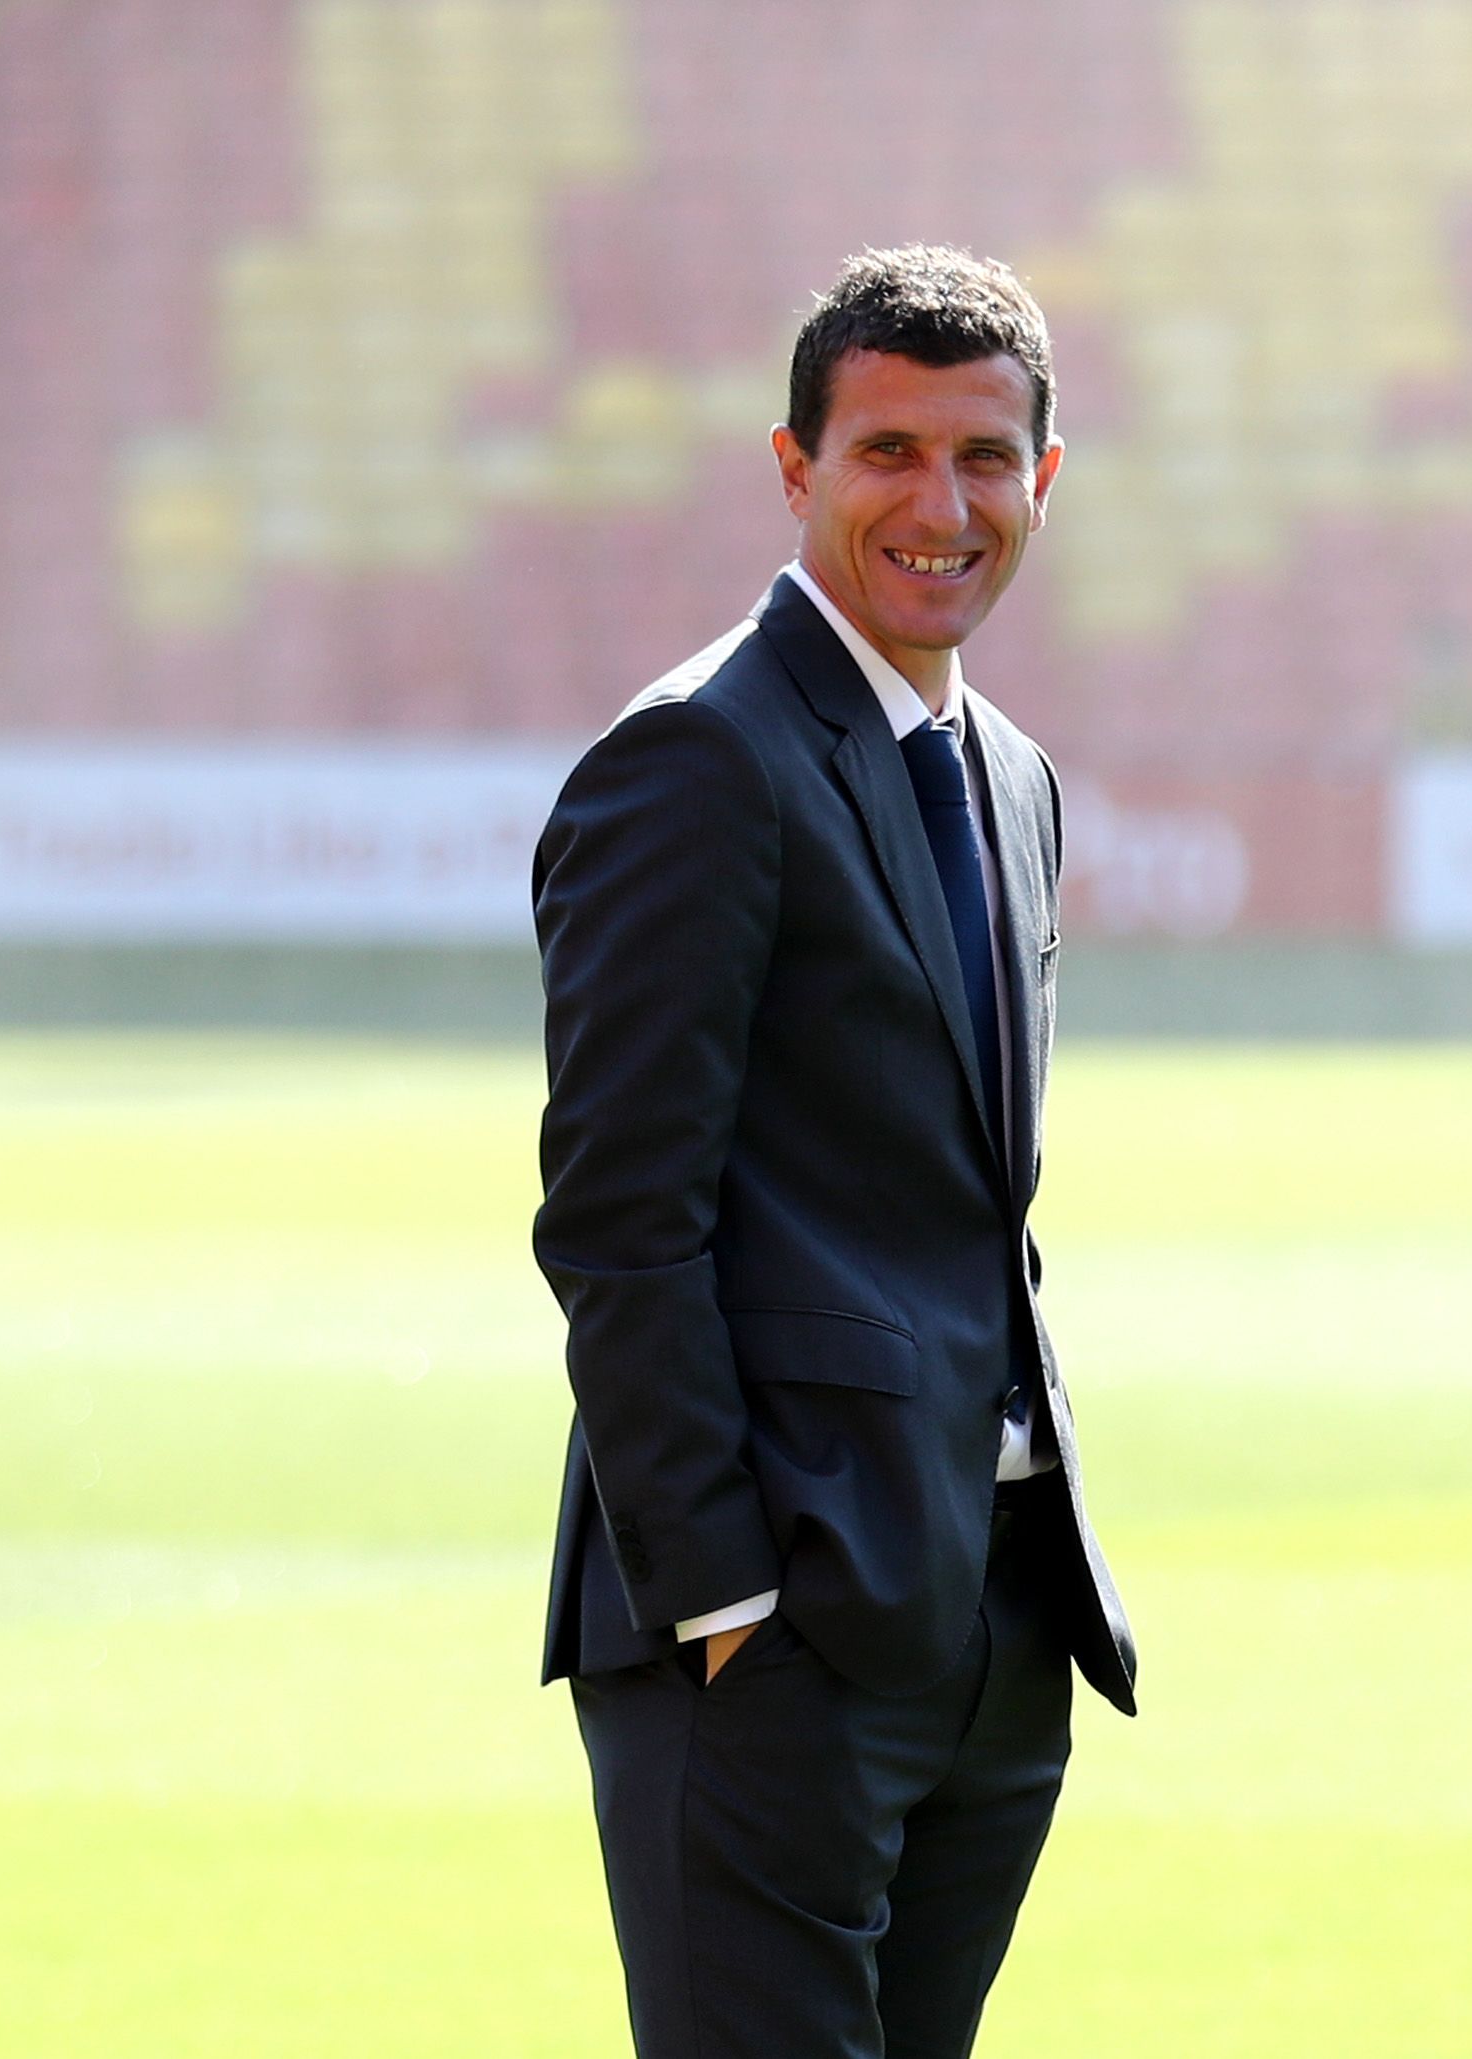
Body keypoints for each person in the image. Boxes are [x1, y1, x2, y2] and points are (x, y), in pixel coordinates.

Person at [531, 244, 1136, 2059]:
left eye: (981, 456)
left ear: (1046, 478)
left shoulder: (1013, 770)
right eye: (884, 453)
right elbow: (619, 1227)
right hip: (774, 1631)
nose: (938, 505)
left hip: (989, 1616)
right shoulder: (694, 762)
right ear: (793, 472)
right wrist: (723, 1598)